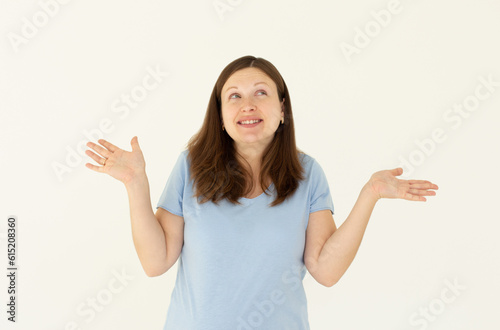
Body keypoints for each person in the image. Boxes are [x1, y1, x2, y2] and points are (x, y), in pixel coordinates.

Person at [85, 55, 438, 329]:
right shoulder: (190, 167)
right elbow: (155, 261)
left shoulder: (308, 174)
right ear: (221, 116)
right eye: (234, 96)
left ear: (282, 110)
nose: (248, 104)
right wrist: (135, 184)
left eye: (261, 93)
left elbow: (325, 271)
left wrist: (370, 194)